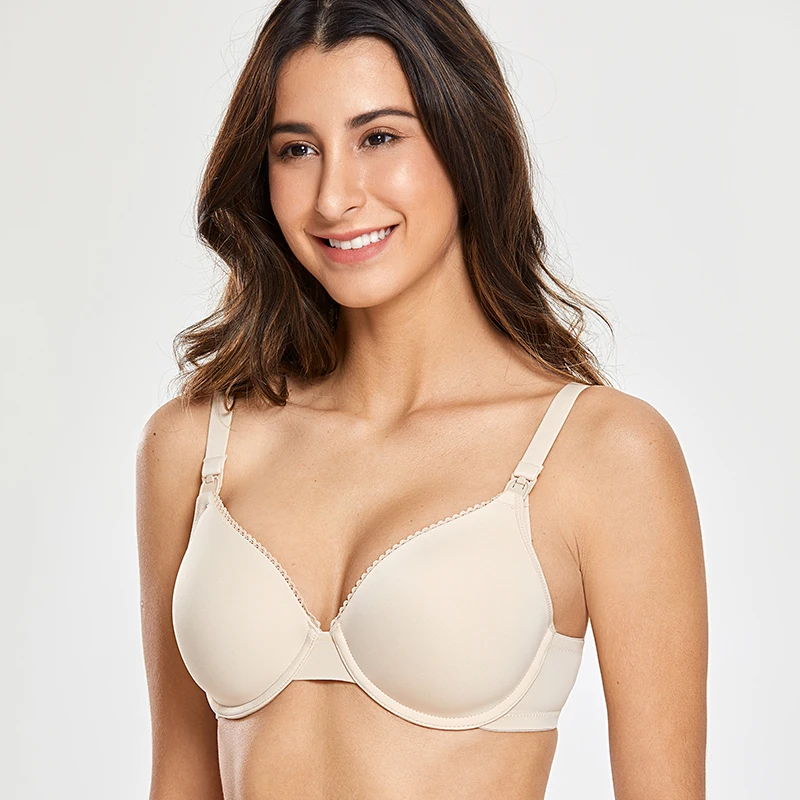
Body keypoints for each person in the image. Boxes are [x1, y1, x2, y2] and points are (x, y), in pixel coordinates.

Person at [136, 1, 708, 798]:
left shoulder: (602, 454)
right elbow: (179, 779)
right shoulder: (196, 445)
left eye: (378, 137)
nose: (334, 197)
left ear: (465, 140)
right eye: (296, 149)